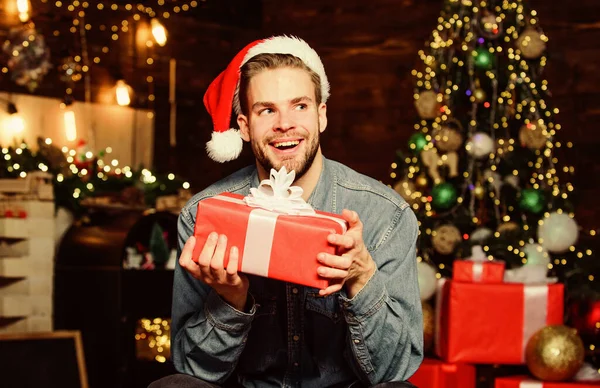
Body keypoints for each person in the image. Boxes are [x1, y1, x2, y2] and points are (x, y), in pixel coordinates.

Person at [150, 36, 423, 388]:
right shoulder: (205, 214)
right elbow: (190, 366)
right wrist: (229, 300)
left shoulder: (387, 215)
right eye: (267, 110)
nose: (285, 124)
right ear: (245, 126)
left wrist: (361, 277)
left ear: (321, 115)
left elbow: (396, 369)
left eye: (300, 106)